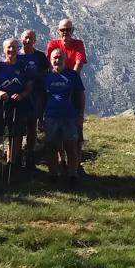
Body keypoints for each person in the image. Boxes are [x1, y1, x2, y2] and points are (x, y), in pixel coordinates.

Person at [0, 38, 34, 171]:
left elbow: (29, 87)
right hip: (0, 104)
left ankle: (11, 163)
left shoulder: (23, 67)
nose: (11, 50)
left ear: (18, 49)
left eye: (14, 47)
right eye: (9, 47)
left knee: (16, 135)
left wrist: (21, 95)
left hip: (19, 105)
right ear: (4, 50)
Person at [44, 18, 88, 168]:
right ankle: (61, 160)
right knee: (56, 127)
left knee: (75, 125)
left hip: (71, 86)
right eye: (62, 30)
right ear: (58, 31)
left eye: (68, 30)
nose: (65, 33)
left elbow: (79, 62)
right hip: (56, 84)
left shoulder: (78, 44)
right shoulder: (53, 44)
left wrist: (70, 79)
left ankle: (76, 163)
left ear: (72, 31)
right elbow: (49, 63)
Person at [42, 47, 85, 181]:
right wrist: (40, 118)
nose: (57, 60)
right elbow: (42, 98)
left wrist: (80, 114)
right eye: (55, 57)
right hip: (50, 116)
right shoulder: (46, 77)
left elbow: (80, 95)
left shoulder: (73, 76)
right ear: (50, 60)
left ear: (66, 60)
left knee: (70, 146)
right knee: (51, 146)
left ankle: (72, 174)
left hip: (69, 116)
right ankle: (53, 174)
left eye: (60, 57)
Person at [18, 29, 49, 169]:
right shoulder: (16, 55)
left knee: (32, 125)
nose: (28, 40)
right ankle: (16, 155)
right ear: (21, 39)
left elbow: (45, 74)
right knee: (18, 125)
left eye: (31, 38)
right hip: (19, 95)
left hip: (36, 95)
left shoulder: (41, 57)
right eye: (26, 38)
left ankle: (30, 153)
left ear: (35, 40)